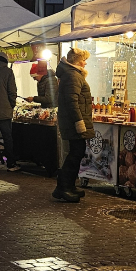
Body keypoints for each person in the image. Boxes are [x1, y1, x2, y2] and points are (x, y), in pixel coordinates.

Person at [53, 48, 94, 203]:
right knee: (76, 153)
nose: (85, 63)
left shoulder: (72, 74)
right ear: (77, 61)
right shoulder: (73, 75)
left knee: (77, 152)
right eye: (83, 60)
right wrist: (79, 122)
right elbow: (72, 102)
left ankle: (69, 185)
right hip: (74, 122)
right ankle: (63, 187)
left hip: (73, 121)